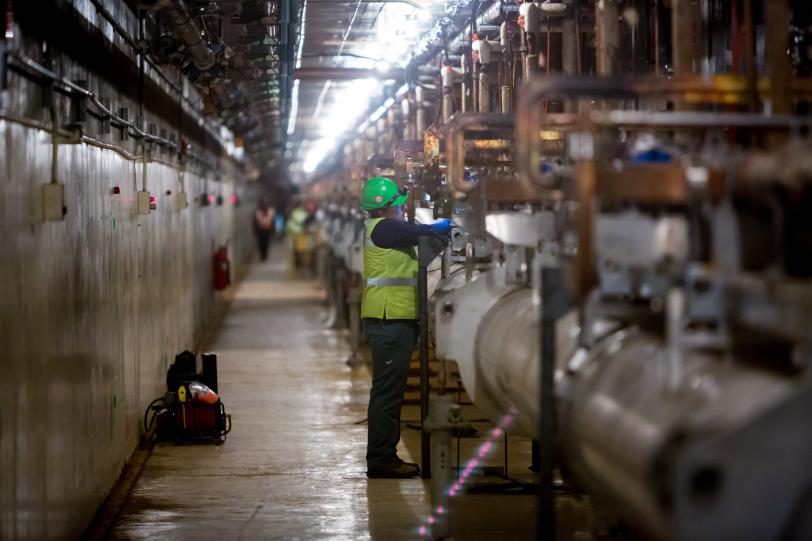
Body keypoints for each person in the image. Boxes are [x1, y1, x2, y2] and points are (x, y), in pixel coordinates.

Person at [360, 176, 452, 479]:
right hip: (389, 320)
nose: (401, 211)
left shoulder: (384, 229)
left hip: (395, 318)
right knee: (387, 393)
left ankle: (384, 455)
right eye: (397, 207)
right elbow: (421, 232)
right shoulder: (383, 229)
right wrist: (446, 225)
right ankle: (381, 459)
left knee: (390, 391)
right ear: (385, 208)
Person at [254, 197, 276, 261]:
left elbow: (273, 221)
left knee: (266, 243)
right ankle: (262, 254)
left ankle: (264, 255)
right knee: (261, 243)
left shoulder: (271, 211)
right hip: (260, 230)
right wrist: (255, 230)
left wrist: (273, 229)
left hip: (267, 230)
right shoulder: (258, 212)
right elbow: (255, 222)